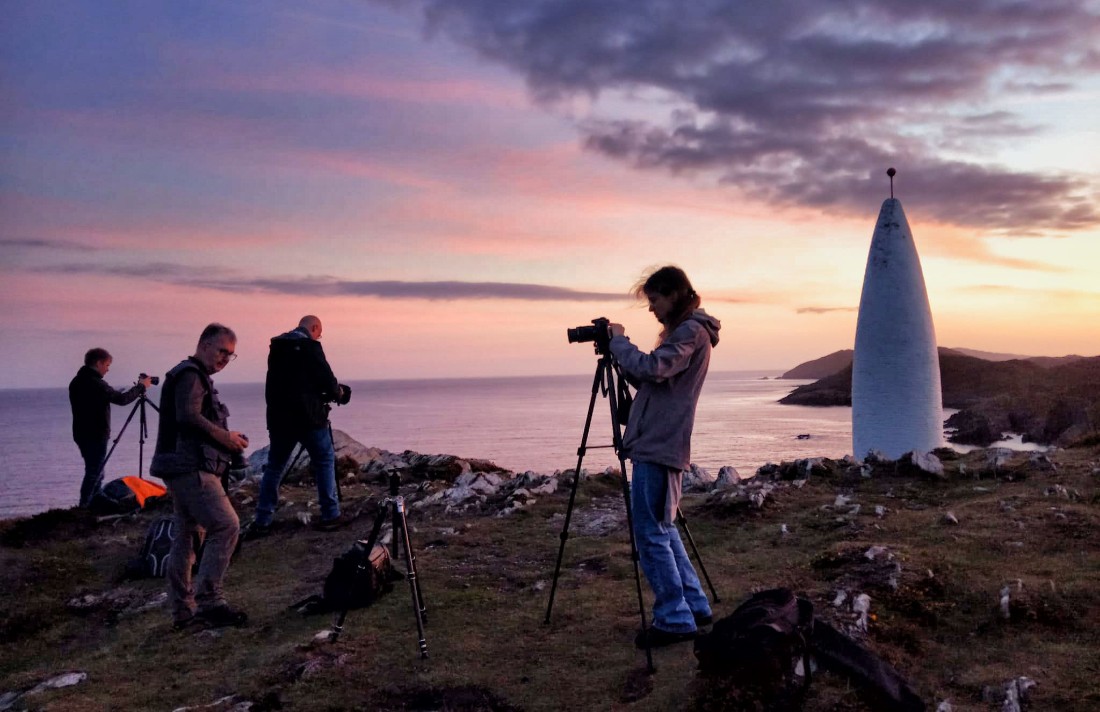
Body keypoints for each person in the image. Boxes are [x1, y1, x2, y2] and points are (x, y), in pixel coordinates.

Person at [608, 266, 721, 649]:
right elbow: (658, 380)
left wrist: (620, 344)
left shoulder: (690, 331)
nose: (652, 309)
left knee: (650, 534)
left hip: (660, 445)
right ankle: (694, 605)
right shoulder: (688, 331)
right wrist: (624, 361)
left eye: (654, 300)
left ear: (674, 294)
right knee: (663, 528)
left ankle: (674, 619)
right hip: (661, 442)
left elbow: (655, 368)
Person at [150, 323, 250, 629]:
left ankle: (183, 611)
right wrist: (226, 438)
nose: (224, 359)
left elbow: (193, 418)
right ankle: (211, 602)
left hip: (181, 466)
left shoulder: (191, 375)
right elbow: (189, 417)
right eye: (221, 351)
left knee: (188, 535)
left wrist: (228, 438)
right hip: (190, 467)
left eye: (230, 355)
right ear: (204, 344)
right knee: (226, 524)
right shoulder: (191, 375)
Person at [250, 315, 350, 536]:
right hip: (310, 418)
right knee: (324, 461)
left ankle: (263, 518)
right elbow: (326, 379)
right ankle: (330, 514)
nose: (318, 336)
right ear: (314, 328)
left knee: (274, 467)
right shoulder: (310, 347)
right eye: (319, 332)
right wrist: (338, 393)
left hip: (280, 419)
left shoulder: (276, 347)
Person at [68, 348, 153, 507]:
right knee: (94, 471)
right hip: (95, 433)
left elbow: (94, 400)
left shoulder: (78, 380)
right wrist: (141, 387)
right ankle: (86, 505)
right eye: (107, 365)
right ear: (98, 363)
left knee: (95, 468)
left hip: (81, 433)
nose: (108, 369)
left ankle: (94, 499)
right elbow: (122, 400)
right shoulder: (95, 383)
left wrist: (112, 394)